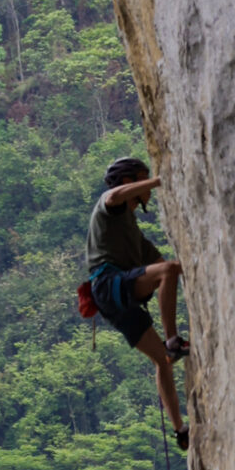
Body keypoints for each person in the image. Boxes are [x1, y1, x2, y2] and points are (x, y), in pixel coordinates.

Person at [85, 157, 190, 450]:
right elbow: (114, 195)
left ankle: (180, 430)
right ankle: (172, 339)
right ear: (130, 181)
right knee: (167, 272)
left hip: (114, 299)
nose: (148, 188)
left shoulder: (132, 232)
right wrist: (160, 181)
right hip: (108, 284)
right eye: (142, 180)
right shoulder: (108, 206)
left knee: (163, 361)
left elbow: (163, 264)